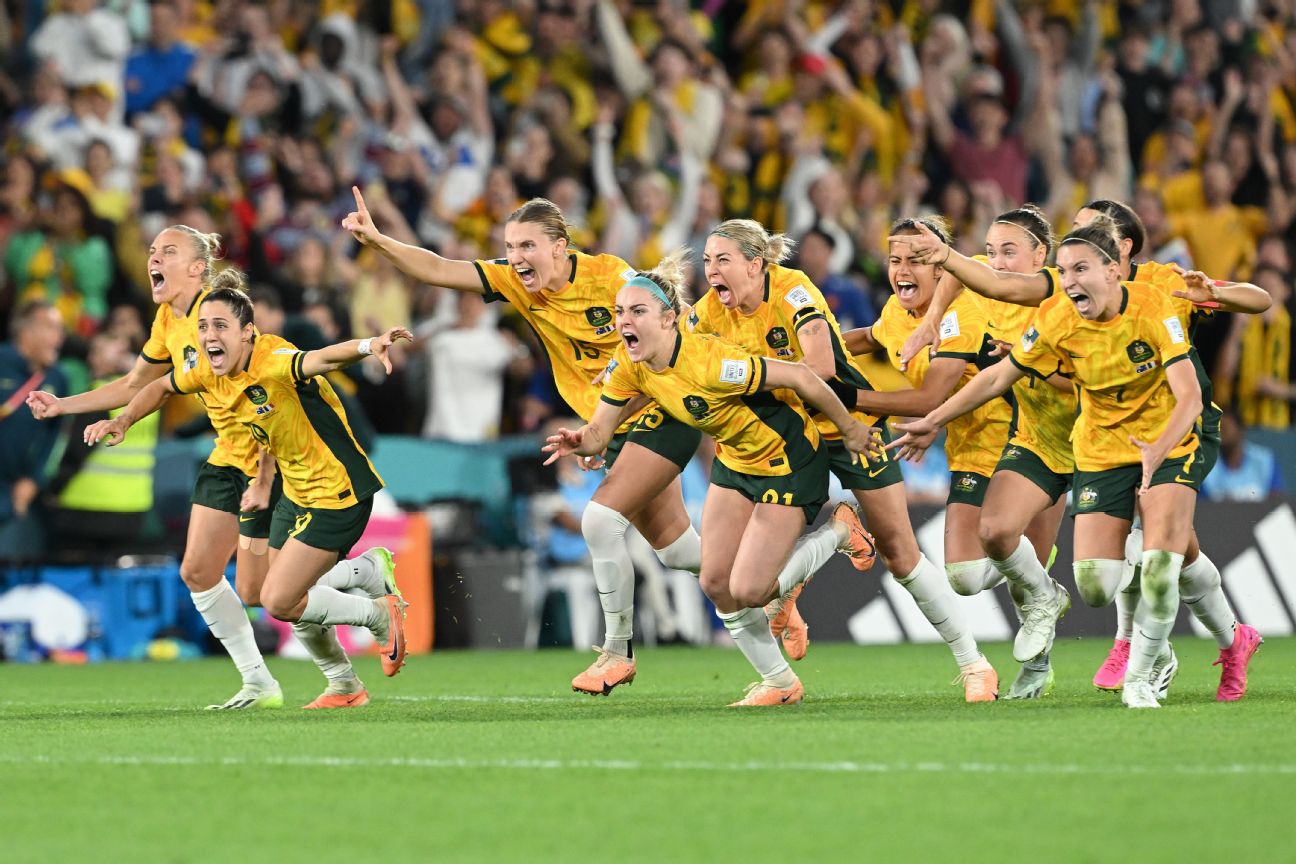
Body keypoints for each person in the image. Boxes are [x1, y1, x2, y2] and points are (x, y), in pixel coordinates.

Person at [888, 201, 1270, 699]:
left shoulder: (1161, 287)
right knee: (1108, 576)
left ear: (1120, 251)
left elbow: (1255, 302)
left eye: (1086, 237)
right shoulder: (1063, 295)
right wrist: (936, 310)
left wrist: (1216, 294)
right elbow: (994, 290)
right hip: (1094, 442)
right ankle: (1230, 636)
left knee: (1157, 552)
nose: (1070, 255)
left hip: (1171, 432)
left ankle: (1138, 653)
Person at [342, 189, 709, 696]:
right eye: (510, 246)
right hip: (613, 424)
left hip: (658, 407)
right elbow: (438, 269)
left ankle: (617, 651)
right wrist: (379, 240)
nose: (515, 257)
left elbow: (675, 325)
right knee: (677, 551)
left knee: (600, 519)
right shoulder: (515, 284)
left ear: (560, 246)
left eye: (527, 246)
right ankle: (777, 582)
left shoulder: (611, 278)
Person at [27, 227, 395, 710]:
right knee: (201, 571)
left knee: (271, 591)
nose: (153, 258)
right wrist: (67, 407)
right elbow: (141, 383)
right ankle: (260, 680)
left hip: (270, 463)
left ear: (197, 268)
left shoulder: (225, 315)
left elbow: (281, 382)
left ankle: (357, 611)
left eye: (167, 251)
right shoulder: (167, 320)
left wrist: (366, 347)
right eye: (152, 251)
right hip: (227, 460)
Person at [543, 260, 880, 706]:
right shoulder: (629, 364)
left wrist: (851, 429)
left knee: (749, 590)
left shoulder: (712, 363)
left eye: (638, 311)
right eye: (621, 311)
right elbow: (601, 432)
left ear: (668, 318)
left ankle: (839, 531)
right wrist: (580, 440)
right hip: (735, 463)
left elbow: (801, 375)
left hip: (789, 460)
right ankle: (781, 684)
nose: (625, 321)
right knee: (716, 582)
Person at [692, 219, 995, 701]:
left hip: (845, 427)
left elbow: (822, 368)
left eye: (721, 260)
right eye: (706, 261)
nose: (711, 271)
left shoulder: (793, 292)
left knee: (900, 552)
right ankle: (779, 677)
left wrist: (743, 378)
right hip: (783, 441)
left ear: (756, 264)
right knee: (719, 580)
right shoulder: (707, 313)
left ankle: (974, 664)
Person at [894, 206, 1077, 699]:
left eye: (1008, 252)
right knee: (974, 572)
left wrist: (1026, 364)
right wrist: (933, 319)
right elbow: (962, 277)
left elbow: (1079, 382)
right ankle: (1042, 595)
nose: (994, 262)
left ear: (1043, 254)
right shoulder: (981, 278)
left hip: (1079, 434)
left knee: (1109, 573)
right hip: (1018, 437)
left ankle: (1142, 649)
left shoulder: (1060, 294)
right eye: (991, 251)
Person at [842, 217, 1007, 700]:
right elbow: (872, 338)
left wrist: (842, 396)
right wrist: (808, 339)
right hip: (966, 445)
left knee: (1059, 572)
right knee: (962, 574)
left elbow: (928, 397)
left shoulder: (964, 307)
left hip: (1015, 440)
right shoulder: (897, 309)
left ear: (942, 265)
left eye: (917, 258)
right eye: (895, 260)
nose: (902, 269)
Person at [0, 301, 68, 561]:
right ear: (26, 333)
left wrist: (33, 480)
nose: (60, 336)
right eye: (52, 327)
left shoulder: (58, 378)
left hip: (18, 490)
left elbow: (54, 438)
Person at [1200, 409, 1285, 502]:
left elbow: (1275, 501)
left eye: (1224, 428)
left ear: (1240, 430)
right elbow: (1203, 506)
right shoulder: (1206, 464)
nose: (1220, 434)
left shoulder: (1264, 460)